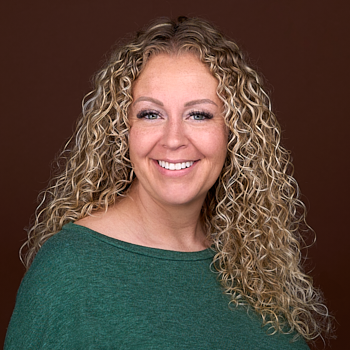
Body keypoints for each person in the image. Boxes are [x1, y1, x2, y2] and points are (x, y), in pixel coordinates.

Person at [5, 16, 332, 349]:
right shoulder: (69, 271)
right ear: (122, 131)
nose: (173, 139)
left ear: (234, 132)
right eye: (151, 114)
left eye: (199, 114)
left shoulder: (253, 261)